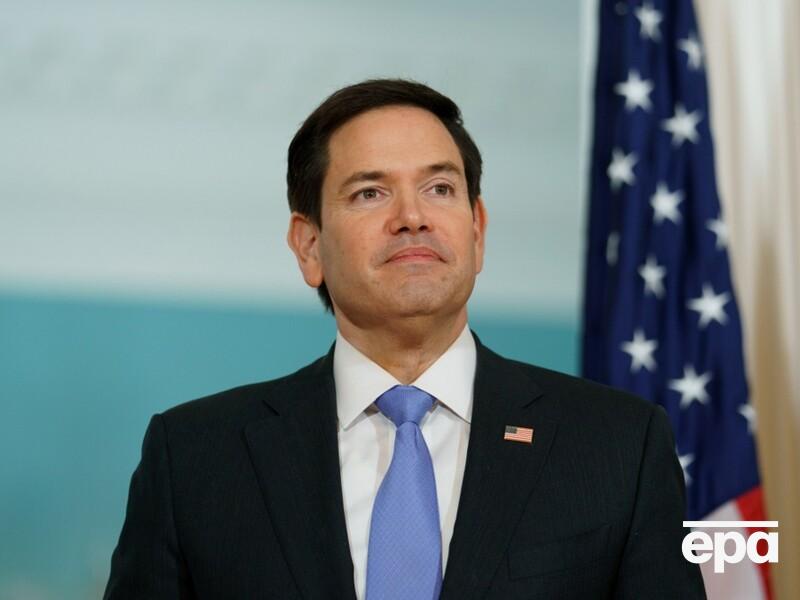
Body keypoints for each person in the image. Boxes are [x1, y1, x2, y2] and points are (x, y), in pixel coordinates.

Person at [104, 79, 706, 599]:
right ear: (309, 245)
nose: (412, 217)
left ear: (477, 229)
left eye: (439, 188)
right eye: (370, 192)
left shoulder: (617, 446)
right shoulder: (195, 459)